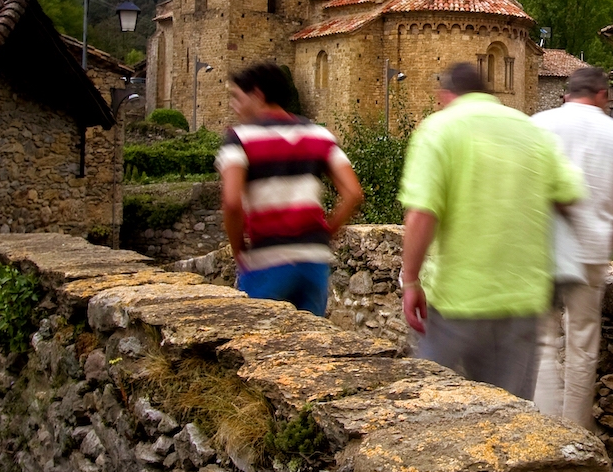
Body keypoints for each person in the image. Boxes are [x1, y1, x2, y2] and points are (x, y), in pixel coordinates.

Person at [397, 62, 586, 400]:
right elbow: (570, 192)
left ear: (446, 95)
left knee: (430, 404)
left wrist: (410, 280)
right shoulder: (530, 130)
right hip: (523, 298)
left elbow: (422, 214)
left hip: (458, 298)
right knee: (511, 412)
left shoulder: (439, 129)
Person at [531, 66, 613, 430]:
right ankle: (577, 434)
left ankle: (546, 432)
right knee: (582, 344)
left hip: (541, 248)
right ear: (602, 95)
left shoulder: (538, 124)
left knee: (543, 341)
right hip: (591, 252)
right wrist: (611, 234)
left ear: (567, 93)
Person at [217, 62, 364, 317]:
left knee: (260, 345)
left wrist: (239, 250)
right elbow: (353, 193)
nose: (234, 106)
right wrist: (327, 232)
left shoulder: (239, 139)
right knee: (310, 344)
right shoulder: (320, 135)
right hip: (313, 260)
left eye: (237, 98)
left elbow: (231, 202)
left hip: (267, 260)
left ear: (257, 95)